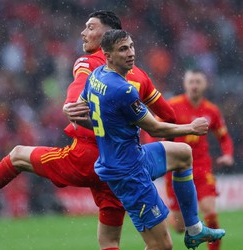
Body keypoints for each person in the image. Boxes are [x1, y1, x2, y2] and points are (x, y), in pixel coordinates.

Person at [0, 11, 176, 250]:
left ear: (107, 35)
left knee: (18, 155)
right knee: (112, 241)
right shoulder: (140, 75)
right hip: (119, 166)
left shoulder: (89, 61)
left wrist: (70, 104)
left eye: (91, 27)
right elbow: (169, 116)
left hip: (87, 157)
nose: (84, 32)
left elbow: (78, 87)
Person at [68, 29, 225, 249]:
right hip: (129, 174)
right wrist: (191, 127)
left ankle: (194, 230)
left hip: (131, 157)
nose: (131, 53)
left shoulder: (96, 76)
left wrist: (102, 125)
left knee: (182, 154)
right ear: (108, 56)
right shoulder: (123, 91)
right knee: (162, 246)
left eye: (131, 46)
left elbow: (84, 109)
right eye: (123, 49)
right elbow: (156, 128)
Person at [164, 69, 234, 250]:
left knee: (210, 211)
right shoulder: (172, 105)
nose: (194, 86)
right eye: (191, 82)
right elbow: (156, 129)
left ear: (205, 85)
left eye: (198, 82)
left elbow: (223, 136)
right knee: (180, 228)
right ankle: (171, 217)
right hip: (176, 167)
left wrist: (227, 154)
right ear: (185, 84)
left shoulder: (212, 110)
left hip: (202, 167)